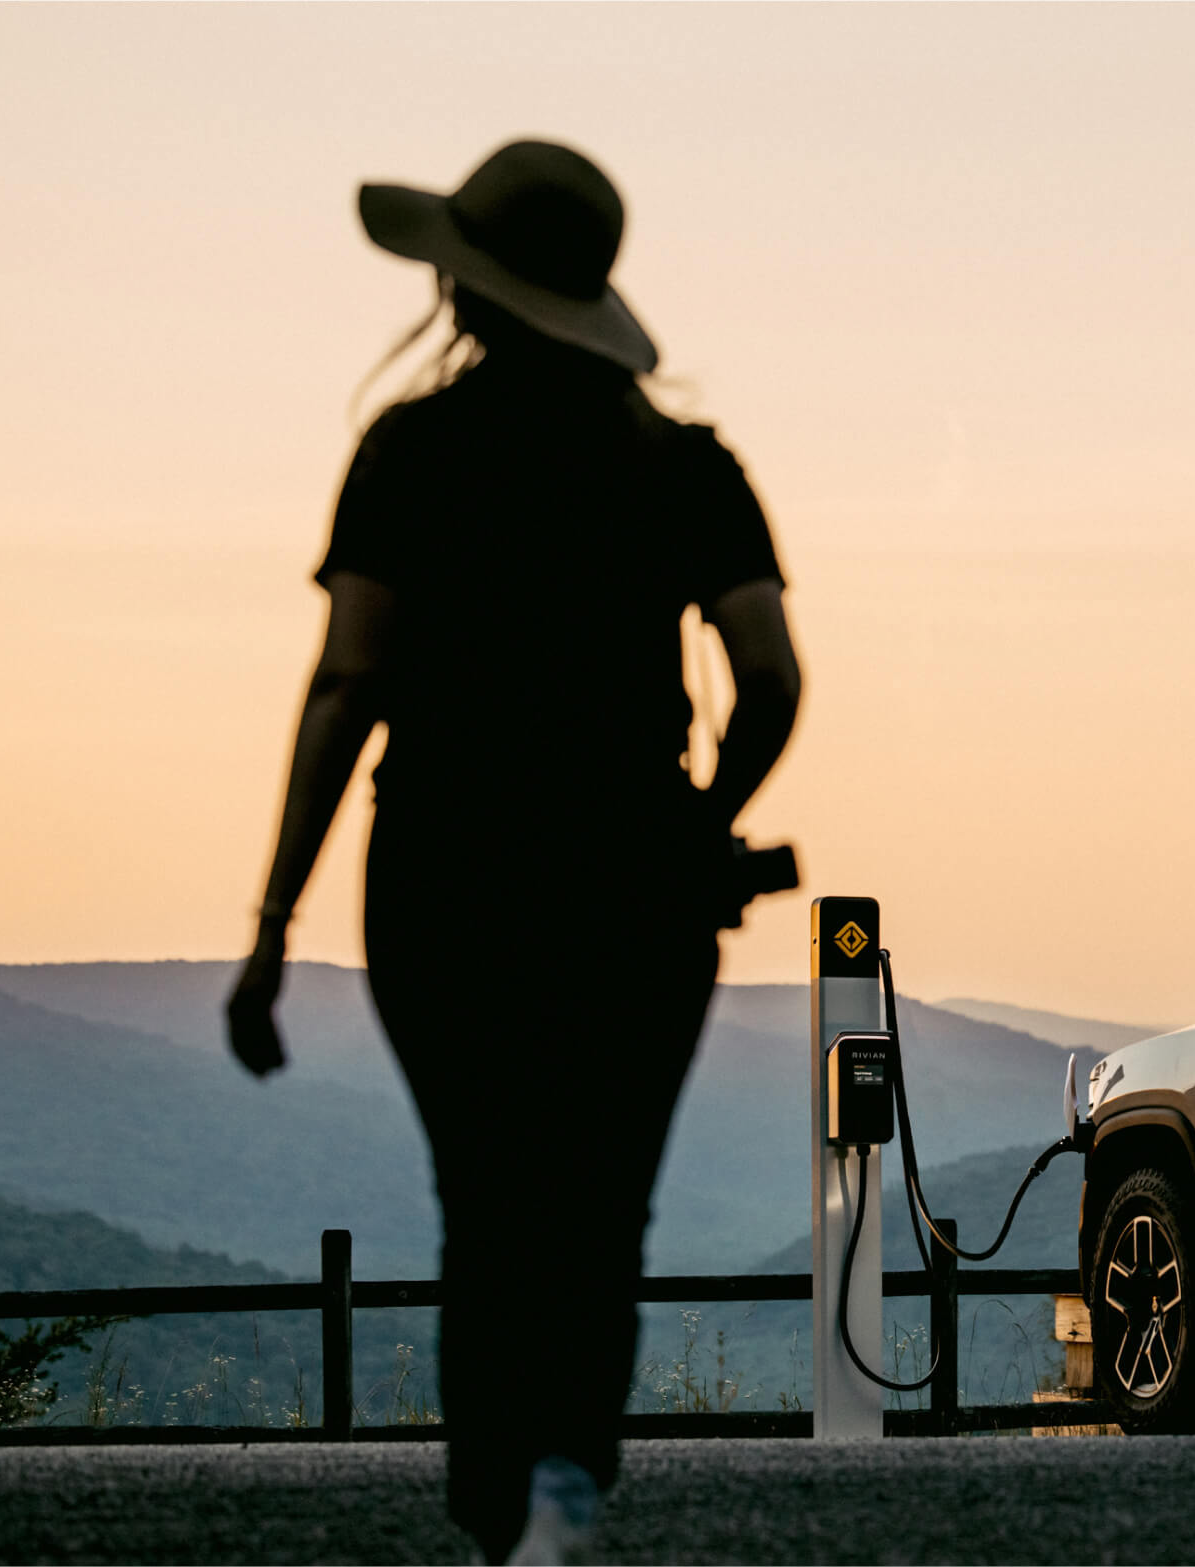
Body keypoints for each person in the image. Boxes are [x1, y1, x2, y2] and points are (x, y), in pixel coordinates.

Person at [224, 139, 800, 1566]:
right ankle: (564, 1484)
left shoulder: (411, 452)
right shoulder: (685, 463)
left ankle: (499, 1518)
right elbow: (771, 677)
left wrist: (274, 923)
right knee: (604, 1204)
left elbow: (347, 685)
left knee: (482, 1199)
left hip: (446, 870)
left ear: (468, 287)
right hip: (635, 881)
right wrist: (702, 818)